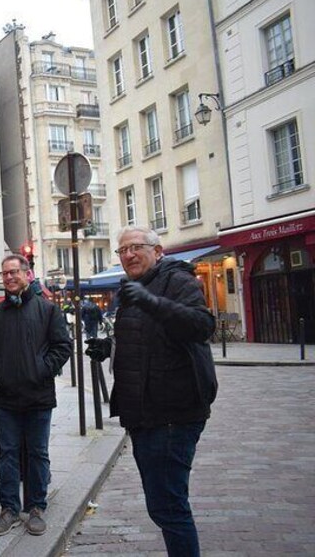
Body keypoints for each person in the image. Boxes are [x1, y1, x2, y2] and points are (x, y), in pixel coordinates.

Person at [85, 226, 217, 556]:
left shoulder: (178, 281)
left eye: (136, 247)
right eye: (122, 250)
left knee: (169, 507)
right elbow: (145, 337)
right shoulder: (134, 288)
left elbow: (201, 326)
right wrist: (110, 346)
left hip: (172, 415)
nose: (128, 255)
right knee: (163, 505)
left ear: (158, 252)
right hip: (143, 416)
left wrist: (152, 302)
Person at [0, 254, 71, 538]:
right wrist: (0, 373)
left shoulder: (48, 310)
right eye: (5, 274)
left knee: (37, 453)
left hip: (38, 398)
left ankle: (36, 508)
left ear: (27, 275)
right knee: (7, 455)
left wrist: (40, 369)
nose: (9, 278)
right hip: (6, 399)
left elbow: (63, 346)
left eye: (14, 272)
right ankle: (9, 509)